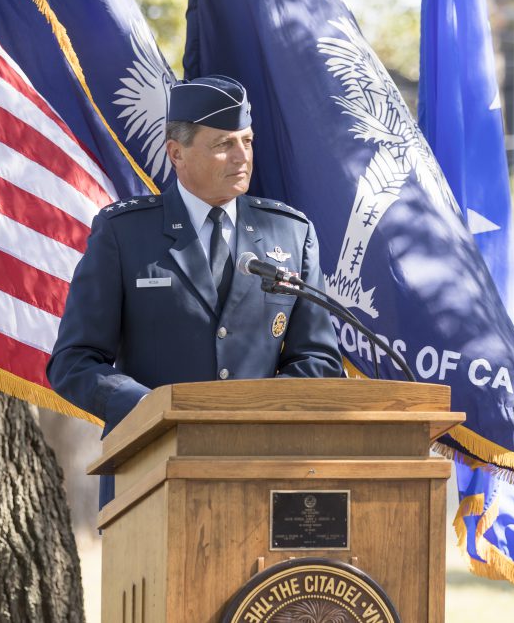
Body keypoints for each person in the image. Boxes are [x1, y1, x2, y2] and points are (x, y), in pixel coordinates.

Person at [47, 75, 343, 503]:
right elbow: (74, 362)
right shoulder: (125, 233)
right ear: (176, 152)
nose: (241, 157)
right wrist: (155, 413)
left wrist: (254, 417)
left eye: (248, 140)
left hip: (263, 470)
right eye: (224, 143)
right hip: (150, 468)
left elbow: (317, 358)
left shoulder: (291, 233)